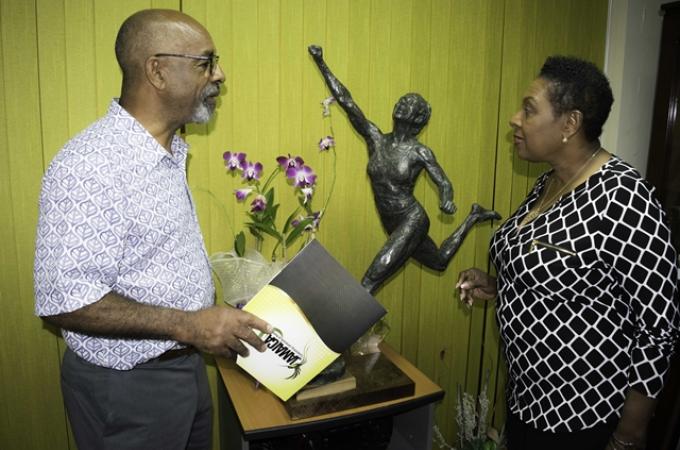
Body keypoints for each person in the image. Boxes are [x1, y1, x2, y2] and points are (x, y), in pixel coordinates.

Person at [33, 9, 272, 450]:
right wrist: (190, 326)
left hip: (185, 369)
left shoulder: (168, 153)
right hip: (127, 391)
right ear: (157, 71)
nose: (219, 74)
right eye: (205, 62)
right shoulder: (91, 165)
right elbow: (62, 301)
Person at [456, 56, 680, 450]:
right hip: (526, 402)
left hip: (583, 420)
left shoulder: (624, 198)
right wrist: (498, 283)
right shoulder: (549, 182)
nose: (514, 119)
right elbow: (559, 274)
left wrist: (627, 438)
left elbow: (658, 330)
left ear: (570, 124)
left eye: (528, 110)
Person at [308, 45, 500, 294]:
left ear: (418, 118)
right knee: (439, 261)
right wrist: (321, 62)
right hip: (390, 221)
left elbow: (443, 182)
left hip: (412, 219)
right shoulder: (375, 138)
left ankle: (339, 328)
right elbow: (346, 101)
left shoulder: (420, 152)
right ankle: (474, 216)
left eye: (410, 104)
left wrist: (447, 199)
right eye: (402, 100)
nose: (402, 103)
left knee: (370, 282)